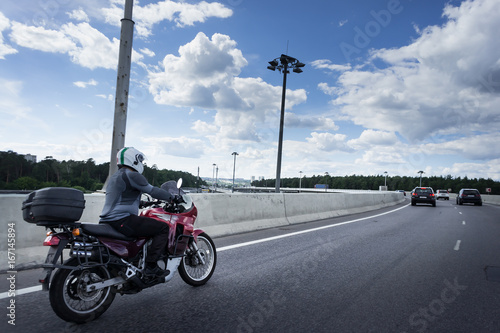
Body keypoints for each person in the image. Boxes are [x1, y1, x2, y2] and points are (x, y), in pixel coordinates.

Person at [100, 147, 177, 277]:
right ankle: (151, 266)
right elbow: (153, 191)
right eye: (140, 160)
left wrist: (143, 203)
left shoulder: (115, 177)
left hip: (107, 221)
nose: (142, 163)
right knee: (163, 228)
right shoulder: (132, 175)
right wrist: (173, 197)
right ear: (134, 160)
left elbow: (121, 198)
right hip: (122, 220)